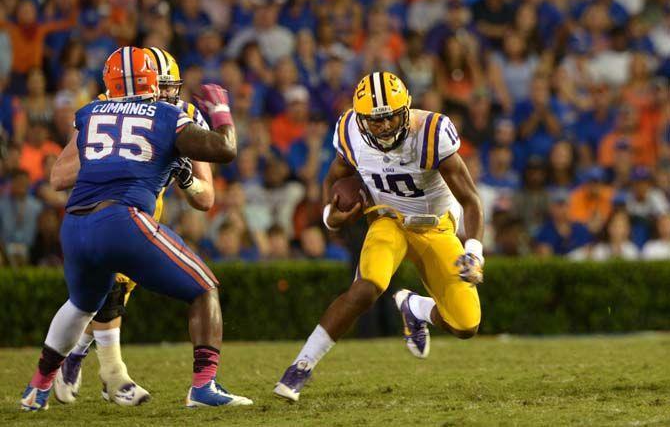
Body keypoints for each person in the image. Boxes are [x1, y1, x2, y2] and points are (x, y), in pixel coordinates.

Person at [20, 46, 252, 411]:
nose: (167, 93)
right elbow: (224, 149)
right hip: (125, 218)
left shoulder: (93, 111)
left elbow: (204, 198)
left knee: (82, 304)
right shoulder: (169, 115)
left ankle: (39, 386)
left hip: (77, 221)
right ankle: (201, 386)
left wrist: (183, 177)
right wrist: (221, 112)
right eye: (161, 85)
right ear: (151, 84)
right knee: (203, 287)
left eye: (170, 86)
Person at [273, 72, 484, 401]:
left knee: (466, 325)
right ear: (361, 118)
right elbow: (334, 181)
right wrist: (331, 217)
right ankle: (301, 366)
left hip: (435, 227)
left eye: (389, 117)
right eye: (375, 120)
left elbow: (471, 199)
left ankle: (415, 307)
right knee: (367, 287)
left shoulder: (431, 132)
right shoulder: (349, 132)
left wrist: (473, 251)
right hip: (388, 220)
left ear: (406, 111)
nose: (383, 126)